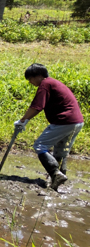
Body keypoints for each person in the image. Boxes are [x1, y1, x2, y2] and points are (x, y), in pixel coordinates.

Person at [14, 63, 84, 191]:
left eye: (30, 79)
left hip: (64, 121)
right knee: (60, 151)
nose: (30, 82)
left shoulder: (45, 84)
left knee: (39, 146)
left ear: (38, 76)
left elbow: (37, 106)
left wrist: (23, 120)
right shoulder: (54, 83)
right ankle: (58, 183)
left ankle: (55, 174)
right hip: (76, 122)